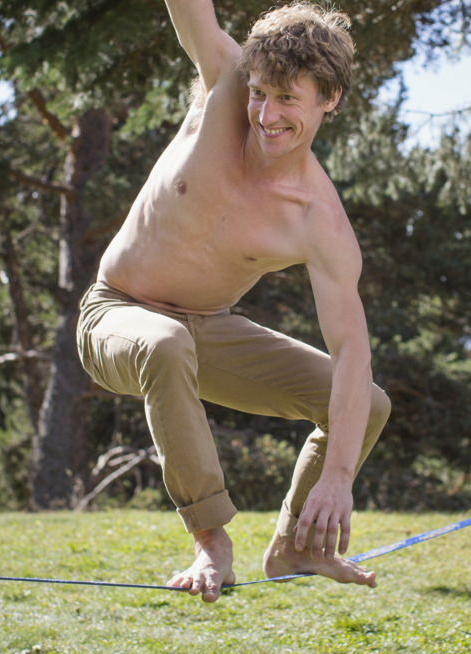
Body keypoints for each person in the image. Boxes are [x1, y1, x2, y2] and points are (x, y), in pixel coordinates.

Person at [75, 0, 390, 603]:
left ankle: (296, 544)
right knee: (164, 343)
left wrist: (339, 477)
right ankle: (211, 540)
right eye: (260, 94)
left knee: (365, 404)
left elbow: (351, 350)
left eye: (288, 100)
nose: (267, 117)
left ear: (331, 99)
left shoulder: (319, 221)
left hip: (208, 328)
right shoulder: (222, 80)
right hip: (115, 311)